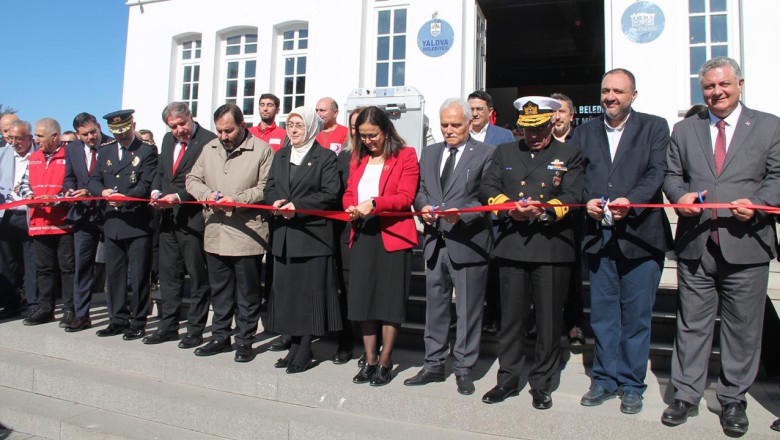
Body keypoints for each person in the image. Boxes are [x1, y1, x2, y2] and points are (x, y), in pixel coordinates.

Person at [662, 57, 780, 435]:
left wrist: (759, 204)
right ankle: (684, 395)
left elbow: (777, 176)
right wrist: (678, 196)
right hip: (697, 244)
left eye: (724, 85)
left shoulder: (768, 126)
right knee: (691, 325)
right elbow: (671, 174)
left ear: (740, 84)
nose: (717, 93)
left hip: (747, 244)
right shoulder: (684, 129)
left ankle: (732, 400)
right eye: (709, 87)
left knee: (743, 329)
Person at [573, 69, 672, 415]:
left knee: (637, 316)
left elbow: (658, 171)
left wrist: (632, 201)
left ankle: (632, 383)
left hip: (641, 236)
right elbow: (576, 175)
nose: (610, 97)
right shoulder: (584, 132)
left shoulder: (655, 126)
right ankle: (603, 379)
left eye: (618, 91)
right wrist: (585, 200)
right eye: (605, 91)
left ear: (633, 94)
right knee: (602, 315)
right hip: (598, 236)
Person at [479, 96, 584, 409]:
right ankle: (507, 380)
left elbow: (572, 194)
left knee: (549, 323)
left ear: (552, 122)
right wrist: (509, 208)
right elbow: (487, 187)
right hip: (513, 245)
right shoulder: (504, 151)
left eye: (538, 128)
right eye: (527, 129)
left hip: (550, 246)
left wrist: (542, 212)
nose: (533, 135)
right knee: (511, 321)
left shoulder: (570, 154)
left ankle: (542, 383)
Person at [405, 98, 495, 395]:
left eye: (456, 125)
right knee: (436, 307)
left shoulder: (486, 153)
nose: (449, 130)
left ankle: (464, 367)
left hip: (467, 242)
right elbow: (419, 190)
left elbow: (488, 199)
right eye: (445, 124)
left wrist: (463, 215)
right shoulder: (429, 153)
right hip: (434, 241)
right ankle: (433, 364)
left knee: (468, 309)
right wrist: (423, 207)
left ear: (470, 123)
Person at [185, 103, 273, 362]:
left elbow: (266, 186)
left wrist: (239, 199)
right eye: (220, 131)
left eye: (229, 131)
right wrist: (205, 195)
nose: (223, 136)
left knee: (247, 292)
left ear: (243, 125)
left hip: (247, 233)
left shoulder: (262, 150)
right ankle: (220, 337)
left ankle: (245, 340)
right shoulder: (210, 148)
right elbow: (192, 179)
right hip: (215, 231)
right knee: (220, 290)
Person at [344, 106, 419, 386]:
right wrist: (350, 206)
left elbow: (405, 197)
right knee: (364, 300)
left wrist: (375, 203)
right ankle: (369, 359)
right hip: (364, 233)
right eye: (362, 136)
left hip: (392, 235)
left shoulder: (405, 156)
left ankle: (385, 361)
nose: (368, 141)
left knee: (389, 302)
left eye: (372, 135)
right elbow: (349, 191)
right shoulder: (358, 159)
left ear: (386, 130)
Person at [264, 106, 342, 373]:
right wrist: (272, 200)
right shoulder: (281, 154)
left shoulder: (326, 157)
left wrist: (298, 205)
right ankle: (295, 345)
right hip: (285, 237)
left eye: (299, 125)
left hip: (312, 237)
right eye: (290, 125)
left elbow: (330, 194)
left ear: (311, 127)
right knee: (288, 296)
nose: (294, 130)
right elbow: (270, 186)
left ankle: (306, 347)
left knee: (308, 297)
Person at [144, 102, 216, 348]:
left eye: (181, 124)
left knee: (197, 276)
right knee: (169, 275)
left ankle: (195, 329)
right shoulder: (167, 140)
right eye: (173, 127)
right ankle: (168, 326)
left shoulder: (208, 141)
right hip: (167, 219)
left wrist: (179, 197)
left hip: (193, 220)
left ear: (190, 116)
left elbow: (207, 179)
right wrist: (156, 191)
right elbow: (162, 171)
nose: (178, 130)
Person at [87, 109, 158, 340]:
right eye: (116, 132)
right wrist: (103, 191)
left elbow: (147, 183)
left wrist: (126, 197)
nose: (121, 135)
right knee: (115, 274)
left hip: (136, 221)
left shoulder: (146, 150)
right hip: (113, 222)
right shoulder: (106, 151)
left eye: (125, 130)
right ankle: (117, 318)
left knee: (138, 276)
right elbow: (94, 180)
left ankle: (138, 321)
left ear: (132, 125)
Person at [17, 118, 75, 326]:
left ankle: (70, 309)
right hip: (39, 222)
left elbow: (72, 184)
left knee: (68, 268)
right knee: (44, 268)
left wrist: (56, 200)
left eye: (40, 136)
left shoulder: (69, 155)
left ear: (54, 136)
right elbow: (24, 184)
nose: (37, 140)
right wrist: (30, 195)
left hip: (63, 223)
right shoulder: (33, 157)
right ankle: (45, 308)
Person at [467, 90, 514, 335]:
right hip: (467, 213)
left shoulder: (504, 136)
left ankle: (494, 315)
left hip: (495, 214)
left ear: (490, 112)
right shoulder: (460, 133)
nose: (474, 114)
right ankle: (473, 316)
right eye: (471, 109)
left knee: (495, 269)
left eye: (479, 109)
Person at [62, 112, 112, 332]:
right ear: (77, 135)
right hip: (83, 214)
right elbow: (69, 177)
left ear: (99, 127)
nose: (90, 137)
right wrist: (70, 190)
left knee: (115, 265)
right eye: (84, 134)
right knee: (82, 266)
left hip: (109, 213)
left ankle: (117, 315)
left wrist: (93, 190)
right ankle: (81, 314)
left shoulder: (112, 144)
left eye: (93, 132)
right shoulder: (72, 149)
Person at [551, 92, 585, 347]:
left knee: (573, 276)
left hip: (573, 218)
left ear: (571, 115)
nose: (556, 116)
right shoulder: (539, 141)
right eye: (553, 111)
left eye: (561, 111)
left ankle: (573, 324)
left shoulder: (581, 142)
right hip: (542, 218)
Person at [331, 107, 363, 365]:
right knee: (348, 288)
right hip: (346, 232)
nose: (358, 132)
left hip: (375, 230)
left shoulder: (384, 156)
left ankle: (371, 342)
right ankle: (347, 339)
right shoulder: (343, 158)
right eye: (354, 127)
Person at [0, 120, 38, 318]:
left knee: (32, 261)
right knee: (8, 262)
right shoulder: (3, 154)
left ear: (29, 138)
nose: (14, 142)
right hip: (7, 216)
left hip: (30, 215)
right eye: (10, 138)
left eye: (18, 138)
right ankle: (11, 304)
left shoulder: (39, 155)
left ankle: (33, 304)